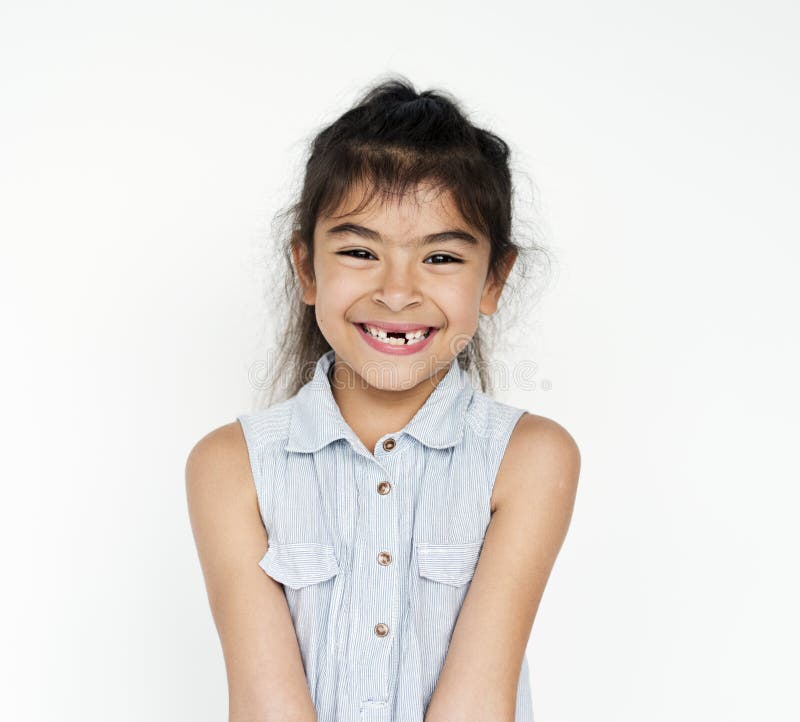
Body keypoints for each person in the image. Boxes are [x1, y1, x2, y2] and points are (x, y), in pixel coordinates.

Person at [186, 75, 581, 722]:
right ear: (307, 269)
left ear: (493, 280)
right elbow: (264, 708)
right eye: (359, 251)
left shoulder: (530, 458)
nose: (397, 293)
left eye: (441, 258)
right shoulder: (231, 466)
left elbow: (477, 706)